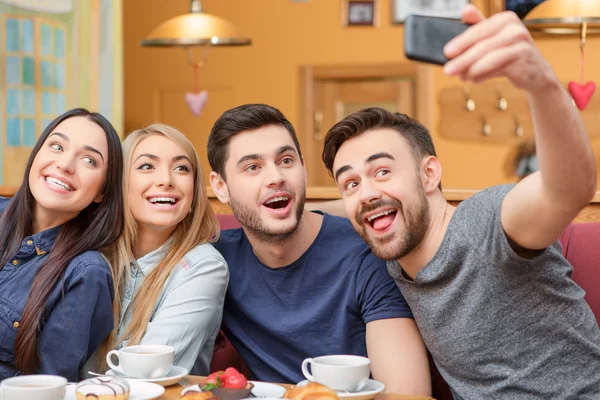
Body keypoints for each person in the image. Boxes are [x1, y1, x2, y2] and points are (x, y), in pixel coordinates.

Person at [321, 5, 600, 399]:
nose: (366, 193)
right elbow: (340, 209)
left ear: (430, 174)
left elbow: (569, 188)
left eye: (382, 171)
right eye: (349, 183)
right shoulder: (392, 252)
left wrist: (540, 82)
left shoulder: (488, 223)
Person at [207, 104, 431, 395]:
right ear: (221, 187)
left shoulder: (367, 254)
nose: (275, 177)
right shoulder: (215, 262)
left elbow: (407, 394)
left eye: (286, 160)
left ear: (303, 167)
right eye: (253, 167)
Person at [0, 108, 124, 381]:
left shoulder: (85, 273)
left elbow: (49, 388)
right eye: (57, 146)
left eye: (89, 160)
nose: (65, 164)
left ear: (102, 191)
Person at [95, 123, 228, 375]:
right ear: (119, 183)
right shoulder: (93, 258)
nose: (166, 180)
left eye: (181, 168)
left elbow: (146, 375)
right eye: (147, 166)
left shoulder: (204, 266)